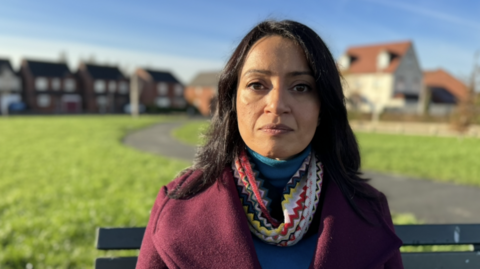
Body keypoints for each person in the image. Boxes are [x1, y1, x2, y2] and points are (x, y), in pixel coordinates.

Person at [137, 20, 403, 269]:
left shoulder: (369, 209)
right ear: (232, 102)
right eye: (257, 85)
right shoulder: (176, 205)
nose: (276, 106)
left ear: (323, 107)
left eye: (301, 87)